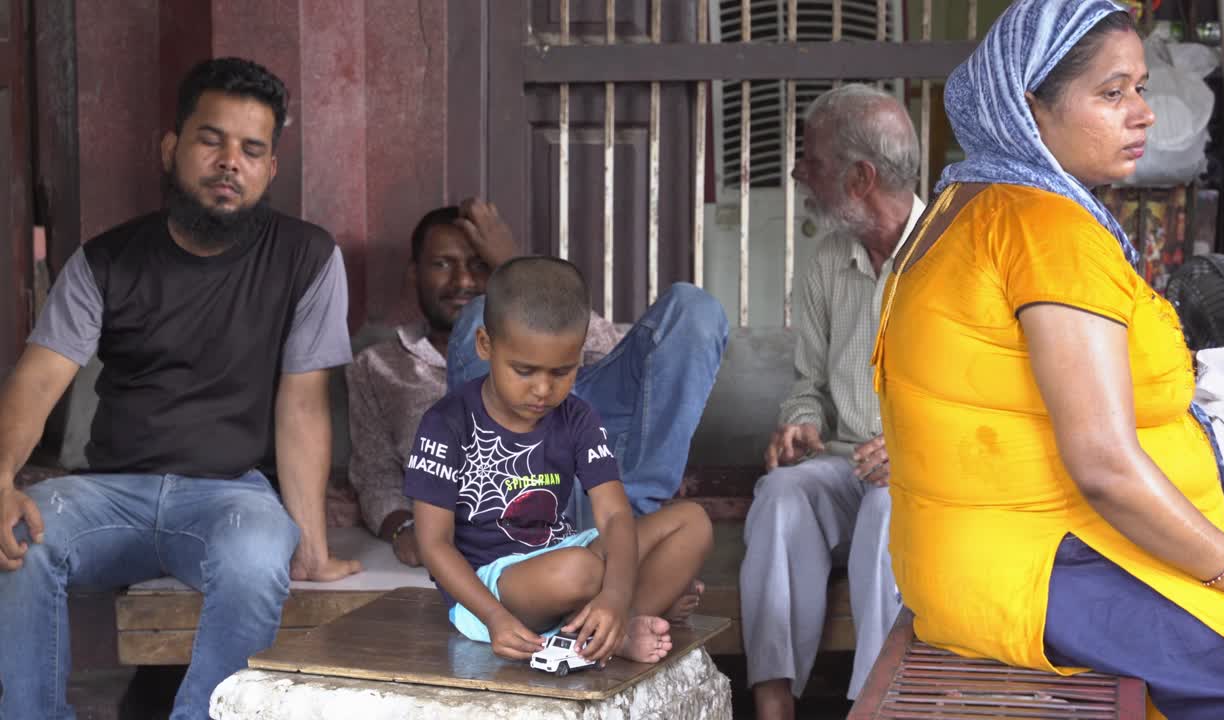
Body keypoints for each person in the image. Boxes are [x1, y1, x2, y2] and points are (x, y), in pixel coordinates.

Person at [871, 1, 1224, 716]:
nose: (1144, 114)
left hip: (966, 558)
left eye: (1142, 88)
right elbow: (1104, 466)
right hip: (1041, 564)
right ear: (1030, 107)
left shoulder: (963, 202)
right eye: (1111, 92)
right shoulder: (1045, 226)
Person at [0, 57, 361, 719]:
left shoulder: (307, 257)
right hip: (110, 491)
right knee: (16, 543)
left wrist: (310, 539)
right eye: (211, 140)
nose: (231, 162)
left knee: (258, 561)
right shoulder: (105, 262)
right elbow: (37, 380)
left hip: (230, 494)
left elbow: (303, 405)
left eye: (252, 149)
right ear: (171, 149)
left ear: (270, 169)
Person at [349, 201, 728, 566]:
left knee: (694, 309)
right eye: (443, 264)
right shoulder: (378, 365)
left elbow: (615, 356)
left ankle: (622, 533)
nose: (463, 279)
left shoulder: (558, 346)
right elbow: (374, 472)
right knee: (479, 312)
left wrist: (515, 269)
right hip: (511, 509)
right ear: (414, 271)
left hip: (606, 471)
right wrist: (404, 530)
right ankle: (586, 547)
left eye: (479, 264)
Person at [406, 256, 713, 664]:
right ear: (485, 345)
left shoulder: (576, 416)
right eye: (524, 370)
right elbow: (434, 544)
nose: (543, 389)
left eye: (562, 371)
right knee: (581, 571)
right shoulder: (446, 423)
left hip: (568, 551)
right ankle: (622, 621)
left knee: (691, 523)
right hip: (490, 589)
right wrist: (495, 617)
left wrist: (617, 598)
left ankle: (618, 623)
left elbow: (616, 518)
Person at [739, 84, 924, 719]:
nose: (797, 172)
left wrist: (913, 450)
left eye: (810, 159)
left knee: (885, 507)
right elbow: (808, 384)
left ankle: (871, 707)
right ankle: (772, 704)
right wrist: (801, 423)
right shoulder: (827, 262)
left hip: (927, 477)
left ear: (860, 177)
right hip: (843, 466)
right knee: (781, 496)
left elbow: (991, 399)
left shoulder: (951, 256)